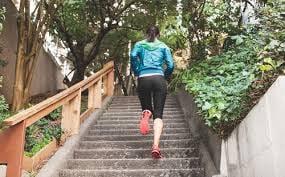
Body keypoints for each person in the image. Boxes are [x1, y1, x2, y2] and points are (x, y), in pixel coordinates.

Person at [130, 25, 174, 159]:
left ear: (146, 34)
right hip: (158, 78)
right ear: (158, 35)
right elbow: (171, 65)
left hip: (144, 78)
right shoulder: (163, 46)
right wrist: (164, 75)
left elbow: (132, 56)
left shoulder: (139, 44)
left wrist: (137, 70)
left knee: (147, 107)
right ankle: (155, 146)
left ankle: (146, 112)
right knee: (159, 114)